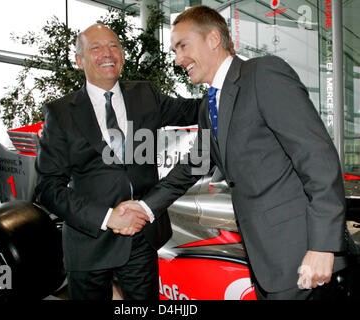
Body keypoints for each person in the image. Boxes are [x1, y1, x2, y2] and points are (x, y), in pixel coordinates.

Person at [120, 5, 356, 300]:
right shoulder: (210, 106)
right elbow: (193, 165)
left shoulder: (263, 74)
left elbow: (317, 159)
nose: (178, 59)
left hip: (304, 257)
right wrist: (144, 208)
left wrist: (323, 246)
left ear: (213, 39)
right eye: (175, 50)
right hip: (267, 262)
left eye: (182, 46)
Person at [34, 23, 200, 300]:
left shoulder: (146, 95)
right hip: (89, 241)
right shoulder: (60, 113)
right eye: (95, 48)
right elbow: (48, 187)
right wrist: (107, 217)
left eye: (113, 46)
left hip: (141, 235)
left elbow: (195, 110)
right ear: (79, 60)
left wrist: (229, 83)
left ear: (122, 55)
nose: (107, 53)